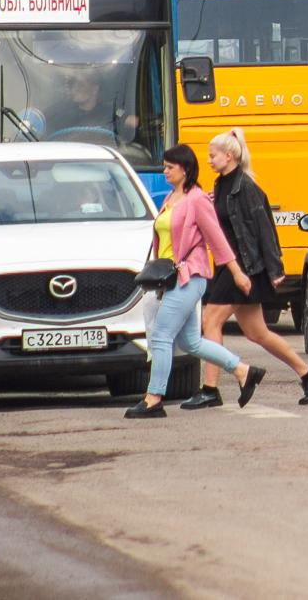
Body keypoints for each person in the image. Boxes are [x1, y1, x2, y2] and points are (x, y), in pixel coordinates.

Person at [125, 145, 267, 419]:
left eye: (170, 167)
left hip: (191, 276)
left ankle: (154, 398)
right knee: (190, 342)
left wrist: (237, 273)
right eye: (164, 166)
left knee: (163, 335)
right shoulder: (171, 197)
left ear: (186, 169)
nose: (165, 171)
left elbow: (217, 239)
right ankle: (243, 371)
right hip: (171, 279)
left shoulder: (197, 199)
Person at [189, 129, 308, 408]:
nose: (209, 160)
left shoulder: (247, 188)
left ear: (229, 156)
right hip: (231, 264)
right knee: (257, 333)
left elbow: (265, 230)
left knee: (210, 322)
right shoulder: (222, 185)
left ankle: (210, 389)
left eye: (212, 155)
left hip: (244, 267)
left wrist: (276, 270)